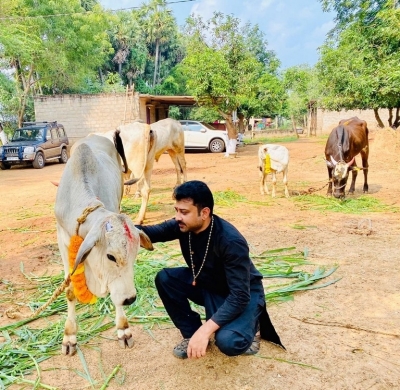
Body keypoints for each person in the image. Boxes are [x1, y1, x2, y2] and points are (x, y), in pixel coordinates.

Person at [137, 180, 285, 359]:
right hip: (208, 283)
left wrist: (205, 330)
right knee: (165, 278)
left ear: (204, 212)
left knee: (229, 342)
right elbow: (147, 232)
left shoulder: (231, 241)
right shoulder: (183, 225)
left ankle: (253, 326)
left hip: (242, 293)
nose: (177, 217)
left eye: (184, 212)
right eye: (176, 210)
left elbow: (240, 295)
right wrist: (110, 223)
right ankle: (191, 334)